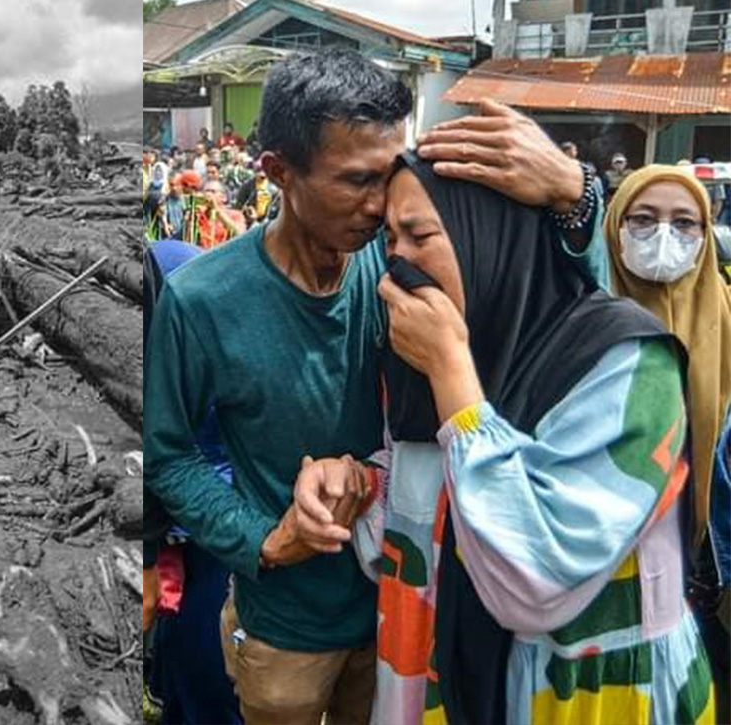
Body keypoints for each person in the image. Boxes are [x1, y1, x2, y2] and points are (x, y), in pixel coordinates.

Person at [145, 47, 601, 725]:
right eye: (356, 180)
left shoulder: (401, 265)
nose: (380, 203)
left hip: (405, 612)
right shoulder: (200, 300)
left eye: (389, 175)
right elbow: (169, 452)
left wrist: (577, 197)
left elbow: (561, 315)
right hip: (286, 623)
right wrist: (262, 539)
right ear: (278, 173)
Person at [295, 153, 715, 724]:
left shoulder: (627, 362)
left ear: (493, 234)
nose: (397, 261)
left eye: (420, 235)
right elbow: (424, 494)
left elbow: (532, 578)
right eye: (389, 238)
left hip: (580, 695)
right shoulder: (421, 357)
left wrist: (451, 372)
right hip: (431, 671)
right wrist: (360, 482)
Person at [604, 165, 731, 724]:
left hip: (702, 566)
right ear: (614, 226)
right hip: (605, 567)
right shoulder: (579, 317)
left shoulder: (726, 318)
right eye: (644, 219)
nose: (664, 237)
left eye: (685, 224)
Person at [144, 239, 244, 725]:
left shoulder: (197, 302)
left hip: (217, 507)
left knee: (205, 642)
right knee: (175, 620)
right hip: (178, 514)